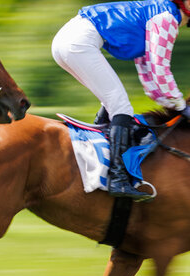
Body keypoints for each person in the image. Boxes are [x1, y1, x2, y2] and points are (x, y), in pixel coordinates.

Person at [52, 0, 190, 201]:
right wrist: (180, 105)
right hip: (77, 42)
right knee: (120, 106)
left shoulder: (159, 12)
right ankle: (118, 179)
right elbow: (160, 71)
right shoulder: (166, 17)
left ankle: (102, 156)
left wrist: (173, 103)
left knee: (115, 102)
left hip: (68, 39)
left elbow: (149, 73)